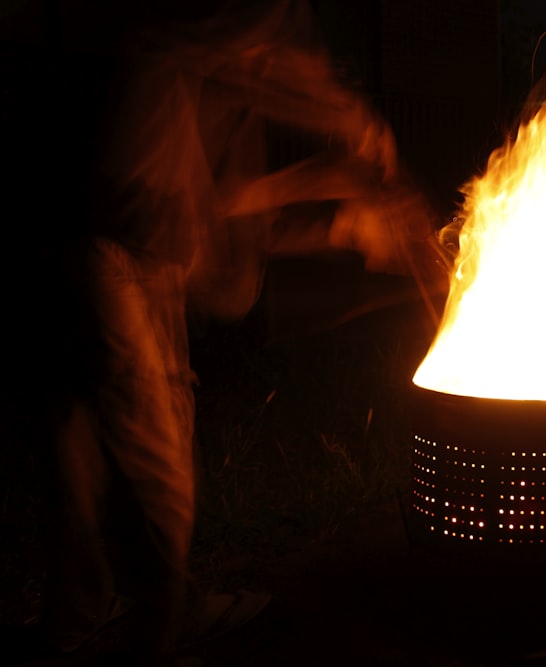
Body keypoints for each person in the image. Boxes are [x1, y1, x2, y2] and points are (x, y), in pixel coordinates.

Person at [29, 0, 447, 663]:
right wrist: (348, 122)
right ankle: (161, 627)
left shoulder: (218, 96)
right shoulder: (189, 45)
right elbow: (246, 60)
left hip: (134, 265)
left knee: (85, 455)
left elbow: (231, 219)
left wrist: (341, 222)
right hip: (111, 260)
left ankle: (80, 616)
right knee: (156, 459)